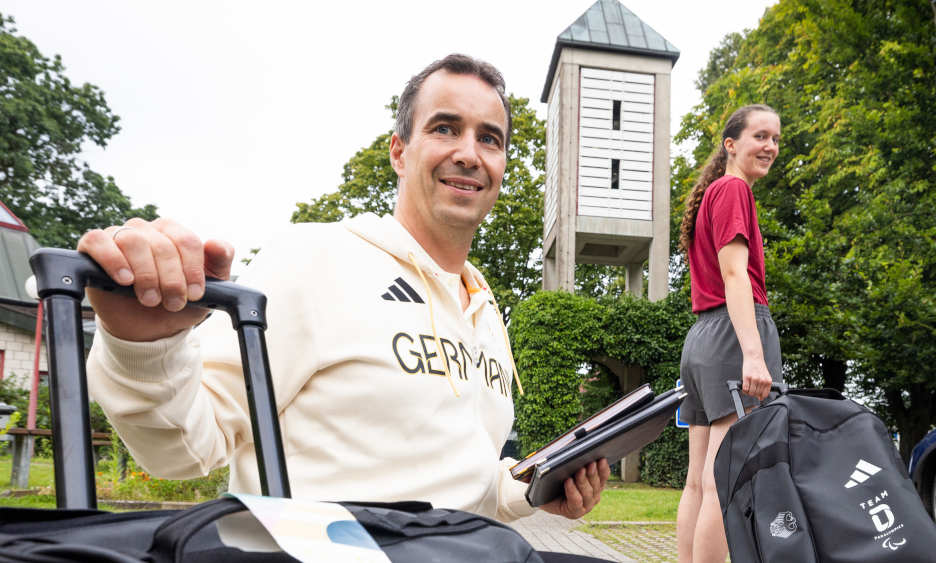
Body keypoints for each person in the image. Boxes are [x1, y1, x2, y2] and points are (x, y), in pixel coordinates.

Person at [78, 54, 609, 527]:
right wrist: (142, 348)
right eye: (445, 128)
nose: (469, 153)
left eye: (489, 138)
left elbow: (459, 487)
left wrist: (534, 489)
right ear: (399, 153)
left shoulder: (485, 310)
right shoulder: (313, 259)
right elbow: (187, 448)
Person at [674, 104, 784, 563]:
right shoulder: (735, 189)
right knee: (727, 478)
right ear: (731, 144)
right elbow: (735, 276)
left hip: (702, 339)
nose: (771, 147)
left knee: (700, 479)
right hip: (733, 339)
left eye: (776, 139)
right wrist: (754, 356)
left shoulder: (715, 193)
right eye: (760, 136)